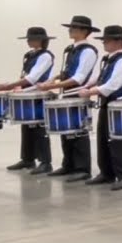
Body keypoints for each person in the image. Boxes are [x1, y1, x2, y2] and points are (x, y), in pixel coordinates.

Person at [37, 15, 99, 181]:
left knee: (79, 131)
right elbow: (68, 71)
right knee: (66, 130)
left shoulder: (88, 51)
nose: (70, 30)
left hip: (78, 93)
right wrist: (55, 78)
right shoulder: (71, 49)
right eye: (71, 27)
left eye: (75, 28)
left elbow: (79, 77)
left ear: (85, 31)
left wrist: (50, 87)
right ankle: (68, 164)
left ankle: (82, 168)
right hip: (66, 93)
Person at [80, 25, 122, 191]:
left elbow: (113, 84)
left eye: (107, 40)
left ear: (119, 41)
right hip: (107, 104)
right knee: (103, 139)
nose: (104, 42)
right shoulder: (108, 59)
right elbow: (99, 78)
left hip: (120, 106)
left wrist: (90, 91)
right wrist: (88, 85)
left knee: (118, 141)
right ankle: (106, 173)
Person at [0, 26, 56, 174]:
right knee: (26, 127)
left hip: (38, 95)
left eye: (31, 38)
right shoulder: (29, 55)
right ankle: (28, 159)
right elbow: (24, 76)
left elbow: (33, 78)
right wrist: (17, 87)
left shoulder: (46, 56)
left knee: (39, 129)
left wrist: (8, 86)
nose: (28, 41)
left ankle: (45, 162)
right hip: (28, 94)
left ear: (41, 40)